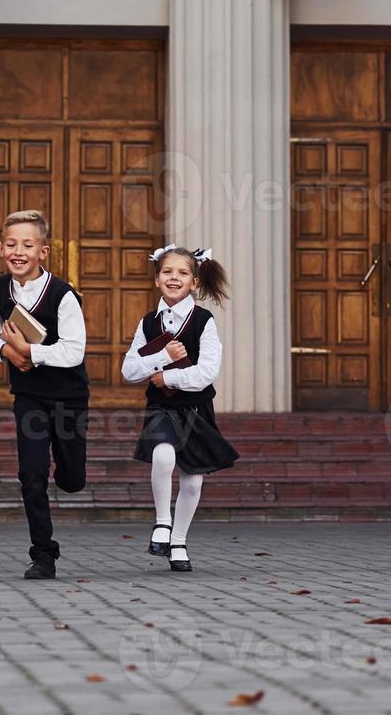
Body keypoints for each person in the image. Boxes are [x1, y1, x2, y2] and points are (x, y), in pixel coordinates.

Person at [0, 210, 89, 580]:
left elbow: (74, 351)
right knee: (32, 474)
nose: (18, 251)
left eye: (27, 244)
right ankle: (43, 554)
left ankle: (70, 472)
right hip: (29, 399)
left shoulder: (63, 295)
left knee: (71, 480)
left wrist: (30, 352)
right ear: (0, 249)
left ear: (44, 251)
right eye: (11, 244)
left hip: (69, 398)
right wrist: (7, 352)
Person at [120, 244, 238, 573]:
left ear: (194, 282)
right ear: (157, 279)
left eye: (182, 273)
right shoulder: (147, 323)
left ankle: (178, 541)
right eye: (167, 272)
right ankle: (162, 523)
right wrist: (162, 359)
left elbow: (206, 374)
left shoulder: (204, 321)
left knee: (193, 482)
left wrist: (166, 376)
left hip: (197, 408)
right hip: (162, 407)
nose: (174, 278)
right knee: (162, 454)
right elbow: (129, 370)